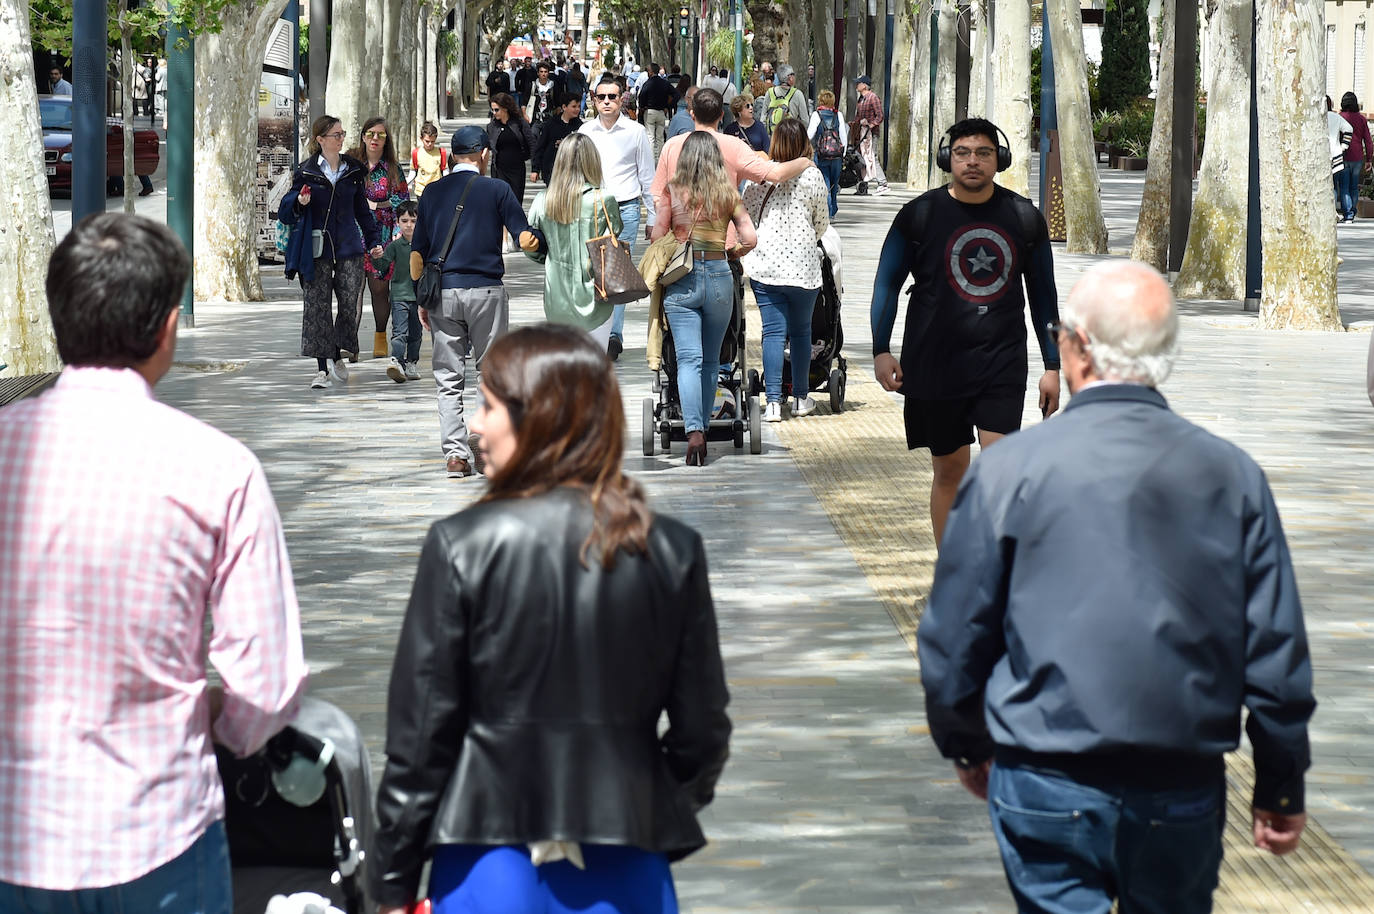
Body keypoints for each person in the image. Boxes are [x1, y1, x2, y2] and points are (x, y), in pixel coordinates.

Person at [917, 260, 1315, 914]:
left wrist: (967, 742)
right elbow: (1276, 655)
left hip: (1045, 773)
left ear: (1075, 348)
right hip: (1180, 780)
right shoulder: (1232, 476)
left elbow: (956, 633)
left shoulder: (1008, 472)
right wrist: (1280, 784)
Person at [0, 212, 308, 912]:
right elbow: (266, 684)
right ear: (168, 327)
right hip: (156, 830)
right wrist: (214, 722)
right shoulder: (218, 470)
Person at [368, 323, 731, 914]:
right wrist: (645, 795)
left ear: (538, 416)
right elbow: (703, 732)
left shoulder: (461, 547)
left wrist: (390, 883)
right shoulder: (670, 551)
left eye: (488, 405)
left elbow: (420, 743)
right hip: (627, 857)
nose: (477, 423)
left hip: (488, 858)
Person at [869, 117, 1061, 545]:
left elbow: (1044, 296)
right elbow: (887, 283)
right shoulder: (918, 215)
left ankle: (994, 575)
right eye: (962, 153)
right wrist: (881, 348)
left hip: (1002, 364)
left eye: (983, 153)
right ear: (947, 158)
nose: (972, 161)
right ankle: (954, 576)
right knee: (950, 471)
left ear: (1000, 159)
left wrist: (1053, 365)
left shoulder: (1024, 218)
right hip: (935, 364)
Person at [409, 125, 541, 478]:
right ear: (485, 154)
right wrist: (540, 242)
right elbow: (523, 236)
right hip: (486, 292)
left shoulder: (433, 193)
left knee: (448, 378)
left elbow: (418, 253)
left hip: (445, 294)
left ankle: (455, 455)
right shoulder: (498, 189)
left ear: (452, 156)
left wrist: (421, 296)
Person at [651, 131, 758, 467]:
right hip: (719, 277)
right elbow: (750, 236)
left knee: (688, 359)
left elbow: (656, 233)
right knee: (711, 360)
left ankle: (693, 430)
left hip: (681, 281)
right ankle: (706, 426)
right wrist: (734, 251)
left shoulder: (672, 191)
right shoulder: (728, 193)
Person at [280, 115, 384, 390]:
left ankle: (338, 349)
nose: (341, 138)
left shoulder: (352, 171)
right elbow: (286, 209)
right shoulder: (306, 171)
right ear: (320, 139)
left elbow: (362, 209)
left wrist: (374, 240)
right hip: (317, 250)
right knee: (318, 308)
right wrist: (301, 202)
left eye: (342, 133)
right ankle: (322, 369)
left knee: (350, 304)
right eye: (336, 134)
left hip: (349, 246)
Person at [741, 118, 829, 423]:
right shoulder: (814, 176)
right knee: (802, 332)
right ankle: (801, 397)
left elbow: (747, 213)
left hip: (765, 265)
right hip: (804, 266)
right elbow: (822, 222)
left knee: (773, 333)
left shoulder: (759, 178)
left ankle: (774, 402)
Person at [579, 75, 657, 360]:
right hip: (593, 207)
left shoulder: (635, 131)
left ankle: (614, 335)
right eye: (602, 97)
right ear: (594, 99)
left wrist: (653, 216)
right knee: (591, 271)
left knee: (618, 275)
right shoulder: (585, 131)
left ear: (622, 98)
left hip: (626, 208)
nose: (607, 102)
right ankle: (594, 332)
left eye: (613, 97)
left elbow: (647, 175)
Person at [525, 134, 622, 347]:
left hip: (557, 297)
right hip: (597, 297)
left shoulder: (543, 201)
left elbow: (533, 248)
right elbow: (615, 233)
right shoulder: (603, 199)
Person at [349, 117, 410, 359]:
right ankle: (349, 343)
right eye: (371, 134)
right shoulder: (351, 165)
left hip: (382, 236)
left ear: (386, 140)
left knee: (379, 289)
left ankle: (380, 336)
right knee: (352, 290)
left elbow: (403, 198)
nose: (375, 139)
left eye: (381, 135)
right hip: (353, 234)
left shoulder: (393, 169)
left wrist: (379, 204)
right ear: (363, 137)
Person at [372, 200, 422, 383]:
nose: (409, 225)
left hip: (419, 297)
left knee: (416, 334)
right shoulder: (394, 246)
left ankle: (411, 362)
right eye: (405, 220)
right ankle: (397, 360)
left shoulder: (424, 245)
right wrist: (376, 258)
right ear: (398, 222)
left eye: (413, 221)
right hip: (399, 295)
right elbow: (383, 266)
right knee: (400, 332)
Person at [487, 91, 536, 218]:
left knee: (515, 203)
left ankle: (516, 233)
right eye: (492, 110)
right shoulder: (492, 126)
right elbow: (487, 146)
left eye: (496, 110)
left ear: (505, 109)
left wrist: (535, 169)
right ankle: (503, 236)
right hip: (499, 170)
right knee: (501, 203)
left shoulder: (519, 123)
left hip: (517, 170)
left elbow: (531, 144)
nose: (494, 113)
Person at [531, 91, 583, 184]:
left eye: (579, 106)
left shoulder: (580, 126)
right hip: (552, 169)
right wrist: (535, 170)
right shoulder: (551, 124)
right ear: (564, 107)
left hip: (573, 171)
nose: (577, 109)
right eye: (574, 106)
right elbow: (540, 147)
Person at [1338, 91, 1373, 222]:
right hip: (1358, 157)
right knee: (1354, 186)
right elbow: (1368, 140)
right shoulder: (1362, 119)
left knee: (1344, 186)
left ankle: (1348, 214)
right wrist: (1369, 159)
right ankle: (1352, 210)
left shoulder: (1340, 117)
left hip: (1344, 155)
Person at [852, 74, 888, 195]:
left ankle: (882, 183)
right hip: (862, 134)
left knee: (872, 156)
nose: (856, 85)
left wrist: (871, 125)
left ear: (864, 85)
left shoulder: (873, 98)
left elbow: (880, 116)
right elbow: (858, 116)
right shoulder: (860, 99)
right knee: (862, 158)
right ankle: (863, 186)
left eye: (858, 83)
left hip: (871, 134)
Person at [638, 63, 680, 161]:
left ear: (651, 72)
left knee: (650, 137)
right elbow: (676, 94)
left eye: (648, 70)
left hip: (649, 112)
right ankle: (662, 159)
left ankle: (651, 160)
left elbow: (642, 97)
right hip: (661, 112)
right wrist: (668, 106)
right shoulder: (665, 83)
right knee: (660, 137)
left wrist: (642, 107)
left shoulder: (647, 84)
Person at [762, 64, 809, 133]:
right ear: (790, 77)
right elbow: (805, 120)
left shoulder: (770, 92)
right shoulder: (797, 94)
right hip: (791, 136)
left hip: (773, 136)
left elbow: (763, 117)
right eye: (793, 74)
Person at [410, 121, 448, 199]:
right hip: (421, 191)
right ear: (421, 139)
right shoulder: (416, 153)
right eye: (427, 141)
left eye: (432, 141)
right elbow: (413, 171)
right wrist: (408, 184)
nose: (430, 144)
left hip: (437, 191)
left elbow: (445, 170)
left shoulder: (441, 152)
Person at [525, 61, 558, 127]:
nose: (543, 74)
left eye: (545, 72)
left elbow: (558, 103)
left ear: (548, 73)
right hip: (534, 119)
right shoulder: (532, 85)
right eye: (541, 72)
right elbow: (524, 103)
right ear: (538, 73)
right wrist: (525, 115)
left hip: (549, 119)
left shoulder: (553, 86)